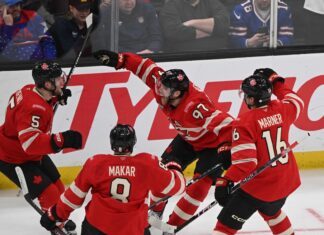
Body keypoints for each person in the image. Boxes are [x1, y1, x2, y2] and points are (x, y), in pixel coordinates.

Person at [93, 50, 233, 230]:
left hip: (211, 147)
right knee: (162, 173)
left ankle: (173, 226)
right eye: (161, 87)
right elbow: (146, 68)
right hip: (188, 138)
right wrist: (120, 60)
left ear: (178, 93)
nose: (159, 91)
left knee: (199, 188)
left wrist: (228, 147)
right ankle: (155, 212)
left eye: (165, 90)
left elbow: (228, 124)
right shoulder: (164, 86)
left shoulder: (196, 106)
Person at [39, 123, 186, 235]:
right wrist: (175, 166)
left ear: (111, 143)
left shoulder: (95, 163)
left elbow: (73, 198)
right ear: (133, 143)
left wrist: (54, 215)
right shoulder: (147, 163)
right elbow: (178, 187)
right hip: (133, 229)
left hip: (96, 227)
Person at [213, 68, 304, 234]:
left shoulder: (244, 122)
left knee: (224, 227)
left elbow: (246, 164)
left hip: (259, 187)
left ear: (251, 98)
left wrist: (224, 180)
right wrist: (276, 82)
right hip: (284, 183)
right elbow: (296, 100)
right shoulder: (282, 109)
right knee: (272, 211)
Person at [0, 61, 83, 234]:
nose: (62, 80)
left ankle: (59, 217)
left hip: (27, 153)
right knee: (50, 193)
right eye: (57, 79)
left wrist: (55, 97)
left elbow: (35, 109)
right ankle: (56, 226)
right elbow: (29, 144)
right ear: (47, 84)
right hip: (13, 158)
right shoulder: (33, 108)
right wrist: (62, 139)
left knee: (60, 188)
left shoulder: (31, 89)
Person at [92, 0, 163, 54]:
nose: (128, 2)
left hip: (147, 54)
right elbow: (105, 43)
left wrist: (150, 50)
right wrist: (131, 55)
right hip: (120, 57)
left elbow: (157, 37)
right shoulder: (106, 13)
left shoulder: (147, 8)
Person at [158, 0, 229, 52]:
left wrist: (192, 23)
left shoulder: (213, 3)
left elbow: (224, 25)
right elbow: (173, 32)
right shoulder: (170, 7)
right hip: (183, 56)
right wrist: (213, 30)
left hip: (218, 54)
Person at [229, 0, 294, 48]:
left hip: (275, 55)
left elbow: (288, 37)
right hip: (248, 56)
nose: (264, 0)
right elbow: (234, 41)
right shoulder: (240, 11)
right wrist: (249, 43)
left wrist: (277, 43)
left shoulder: (284, 9)